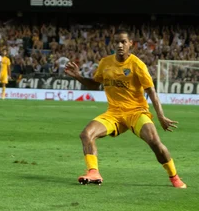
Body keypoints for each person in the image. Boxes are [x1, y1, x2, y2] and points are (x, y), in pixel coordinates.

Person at [65, 29, 186, 189]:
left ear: (130, 44)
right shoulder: (105, 63)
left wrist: (161, 117)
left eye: (123, 42)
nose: (120, 45)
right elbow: (95, 84)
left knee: (155, 142)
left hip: (136, 112)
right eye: (117, 42)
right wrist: (78, 76)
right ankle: (93, 172)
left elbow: (151, 91)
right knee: (86, 135)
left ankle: (174, 176)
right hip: (114, 113)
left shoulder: (137, 65)